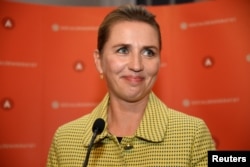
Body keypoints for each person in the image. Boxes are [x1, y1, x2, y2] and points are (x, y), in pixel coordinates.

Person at [47, 4, 215, 167]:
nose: (136, 65)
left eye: (148, 52)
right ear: (99, 61)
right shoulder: (65, 140)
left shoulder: (193, 135)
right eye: (123, 50)